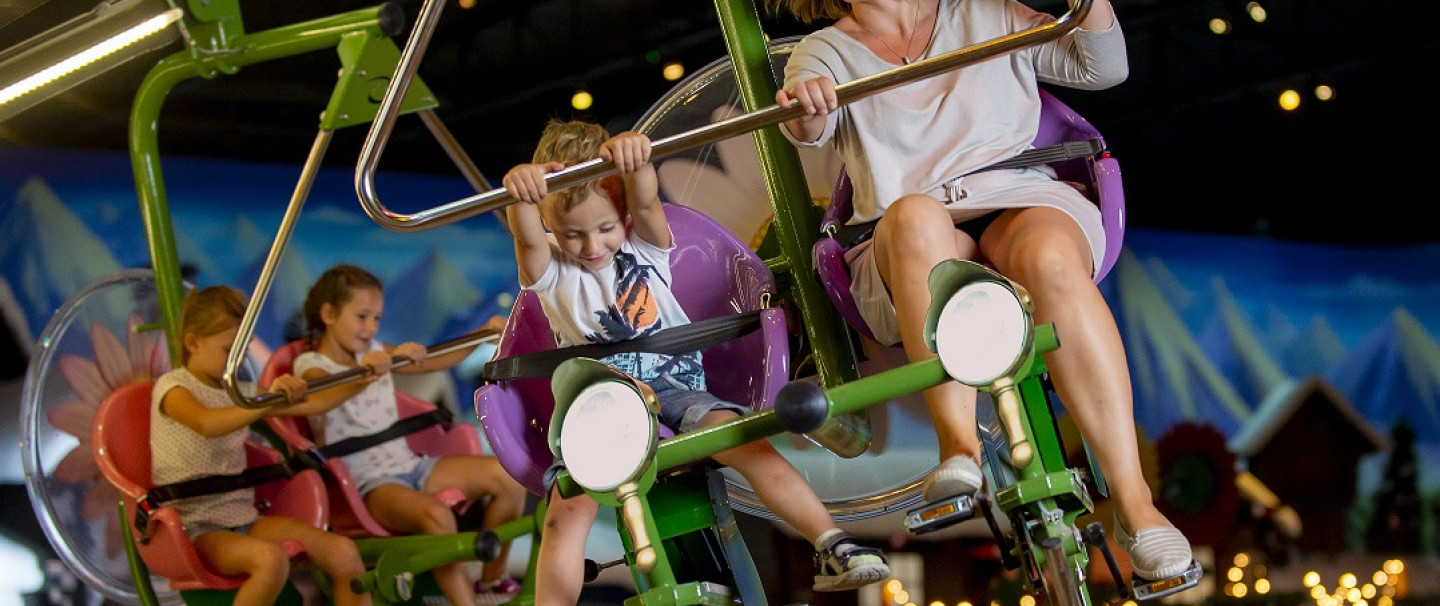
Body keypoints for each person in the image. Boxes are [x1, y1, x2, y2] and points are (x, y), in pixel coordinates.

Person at [769, 0, 1197, 587]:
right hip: (908, 228)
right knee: (914, 216)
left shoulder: (984, 11)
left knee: (1049, 258)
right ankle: (960, 448)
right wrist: (808, 107)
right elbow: (806, 127)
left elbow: (1102, 69)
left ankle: (1135, 504)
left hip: (1016, 192)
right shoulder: (824, 52)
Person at [501, 118, 892, 605]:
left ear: (620, 210)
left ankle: (832, 542)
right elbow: (527, 238)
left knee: (745, 443)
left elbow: (644, 198)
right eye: (573, 234)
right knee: (564, 513)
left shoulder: (643, 241)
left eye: (603, 228)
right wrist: (521, 192)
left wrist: (636, 161)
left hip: (675, 384)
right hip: (601, 404)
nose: (593, 246)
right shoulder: (552, 268)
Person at [294, 265, 528, 606]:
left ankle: (491, 581)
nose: (370, 327)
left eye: (376, 318)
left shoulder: (374, 351)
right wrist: (367, 372)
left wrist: (480, 334)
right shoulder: (310, 365)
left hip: (412, 465)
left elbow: (434, 362)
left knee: (508, 477)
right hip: (368, 485)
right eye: (361, 317)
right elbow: (327, 394)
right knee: (436, 515)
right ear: (328, 314)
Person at [150, 285, 368, 606]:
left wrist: (363, 378)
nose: (236, 361)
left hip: (243, 517)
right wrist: (265, 402)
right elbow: (207, 423)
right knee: (270, 560)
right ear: (193, 342)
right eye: (228, 350)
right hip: (193, 526)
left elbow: (316, 403)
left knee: (343, 552)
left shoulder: (242, 391)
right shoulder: (173, 387)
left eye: (243, 350)